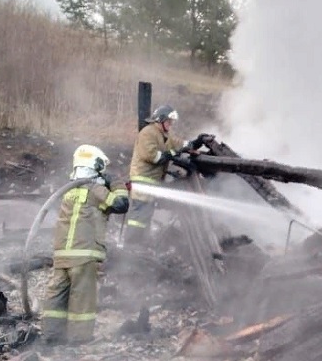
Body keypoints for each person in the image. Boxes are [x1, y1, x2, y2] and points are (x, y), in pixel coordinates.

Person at [42, 145, 129, 344]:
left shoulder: (68, 191)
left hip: (62, 254)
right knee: (82, 298)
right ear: (94, 166)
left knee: (57, 294)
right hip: (84, 255)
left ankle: (51, 336)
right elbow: (121, 205)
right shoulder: (95, 190)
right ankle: (78, 339)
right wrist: (116, 183)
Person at [125, 104, 213, 244]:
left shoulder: (165, 136)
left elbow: (180, 144)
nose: (171, 124)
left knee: (145, 215)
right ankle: (130, 246)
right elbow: (153, 157)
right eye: (169, 121)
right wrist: (172, 153)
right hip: (142, 180)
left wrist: (197, 142)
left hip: (151, 182)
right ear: (160, 119)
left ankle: (139, 245)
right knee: (138, 216)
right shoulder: (148, 133)